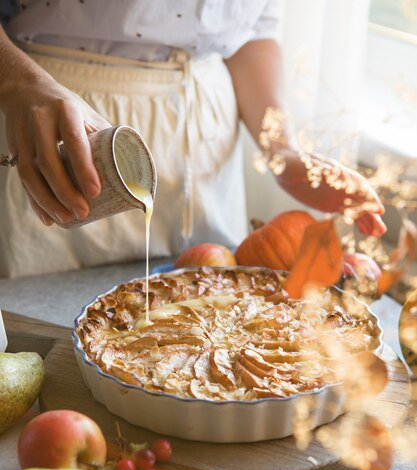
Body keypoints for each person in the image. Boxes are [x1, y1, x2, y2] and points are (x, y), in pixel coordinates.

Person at [0, 0, 385, 278]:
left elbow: (253, 33)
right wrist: (19, 82)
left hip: (208, 143)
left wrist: (282, 151)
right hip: (61, 120)